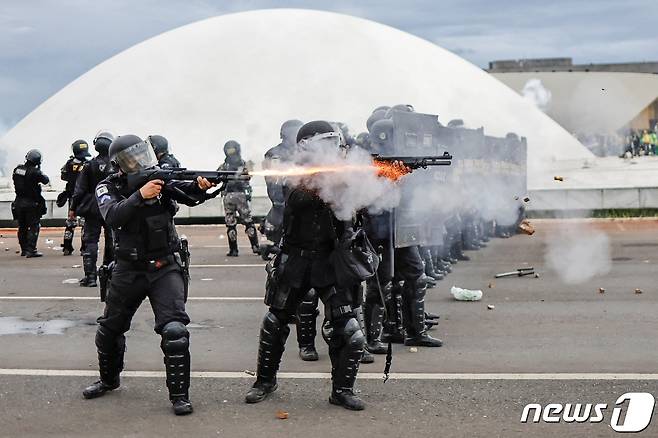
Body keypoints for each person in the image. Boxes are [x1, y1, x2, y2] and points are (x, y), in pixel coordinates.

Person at [82, 134, 215, 415]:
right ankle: (108, 380)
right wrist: (140, 196)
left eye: (142, 154)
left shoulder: (160, 179)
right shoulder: (109, 186)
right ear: (120, 164)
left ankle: (179, 396)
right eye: (132, 157)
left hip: (164, 266)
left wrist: (202, 187)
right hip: (128, 268)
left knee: (175, 331)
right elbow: (113, 216)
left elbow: (188, 193)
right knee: (109, 330)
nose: (140, 161)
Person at [245, 121, 367, 410]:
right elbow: (294, 201)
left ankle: (342, 391)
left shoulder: (343, 172)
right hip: (297, 259)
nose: (333, 150)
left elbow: (360, 209)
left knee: (350, 331)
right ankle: (264, 381)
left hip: (330, 261)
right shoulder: (292, 172)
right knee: (275, 322)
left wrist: (377, 181)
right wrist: (327, 181)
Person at [71, 131, 116, 287]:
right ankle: (109, 273)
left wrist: (73, 209)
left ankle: (90, 277)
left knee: (90, 241)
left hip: (92, 208)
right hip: (111, 206)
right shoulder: (117, 164)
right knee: (112, 240)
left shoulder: (89, 165)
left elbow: (79, 190)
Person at [218, 140, 259, 256]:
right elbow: (249, 176)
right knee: (248, 222)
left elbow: (218, 176)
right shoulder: (243, 164)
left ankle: (233, 250)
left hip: (228, 196)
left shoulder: (224, 166)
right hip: (241, 195)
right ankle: (255, 246)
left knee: (231, 223)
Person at [12, 149, 49, 258]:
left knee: (22, 226)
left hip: (18, 201)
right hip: (31, 203)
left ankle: (24, 249)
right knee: (34, 226)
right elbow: (45, 180)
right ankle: (31, 249)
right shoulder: (35, 172)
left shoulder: (17, 169)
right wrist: (39, 170)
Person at [58, 140, 91, 255]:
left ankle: (67, 247)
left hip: (72, 197)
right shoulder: (88, 164)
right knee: (84, 224)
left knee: (70, 223)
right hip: (85, 197)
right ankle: (84, 248)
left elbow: (63, 176)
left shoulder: (69, 164)